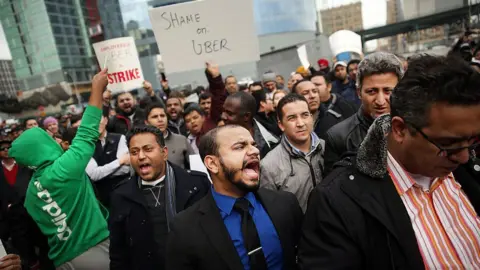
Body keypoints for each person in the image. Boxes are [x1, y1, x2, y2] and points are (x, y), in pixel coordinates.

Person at [299, 55, 480, 269]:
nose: (464, 156)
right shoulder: (337, 202)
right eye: (448, 144)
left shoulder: (467, 169)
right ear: (400, 129)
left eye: (472, 141)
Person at [9, 69, 110, 269]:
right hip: (94, 252)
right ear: (41, 148)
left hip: (62, 261)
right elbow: (88, 130)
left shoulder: (31, 193)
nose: (55, 139)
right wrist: (97, 89)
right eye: (49, 138)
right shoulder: (63, 169)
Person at [166, 125, 303, 270]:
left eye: (254, 145)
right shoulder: (185, 228)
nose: (255, 151)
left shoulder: (286, 204)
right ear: (212, 164)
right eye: (239, 147)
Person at [108, 125, 210, 270]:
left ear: (164, 153)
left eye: (148, 149)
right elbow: (118, 252)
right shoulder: (121, 195)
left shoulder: (196, 184)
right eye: (134, 152)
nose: (141, 156)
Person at [323, 52, 404, 175]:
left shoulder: (416, 127)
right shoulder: (338, 137)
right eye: (372, 91)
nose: (380, 101)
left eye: (388, 91)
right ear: (359, 92)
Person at [261, 94, 325, 212]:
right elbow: (272, 210)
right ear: (281, 125)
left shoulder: (327, 147)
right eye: (292, 118)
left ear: (312, 118)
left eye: (305, 115)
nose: (300, 123)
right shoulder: (269, 165)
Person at [0, 140, 53, 269]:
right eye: (3, 148)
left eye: (9, 147)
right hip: (9, 217)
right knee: (22, 246)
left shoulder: (25, 166)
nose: (6, 150)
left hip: (31, 212)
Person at [86, 114, 130, 208]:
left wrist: (102, 172)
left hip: (124, 191)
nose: (95, 123)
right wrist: (119, 162)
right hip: (102, 198)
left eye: (98, 119)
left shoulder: (119, 138)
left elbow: (126, 169)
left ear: (105, 120)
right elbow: (94, 175)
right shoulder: (87, 146)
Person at [222, 92, 279, 158]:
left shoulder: (270, 144)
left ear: (246, 116)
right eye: (223, 111)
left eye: (229, 113)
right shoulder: (217, 138)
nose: (223, 116)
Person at [145, 103, 194, 169]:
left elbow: (196, 166)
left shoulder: (181, 140)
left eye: (162, 116)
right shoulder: (142, 144)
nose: (160, 120)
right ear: (147, 122)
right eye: (155, 117)